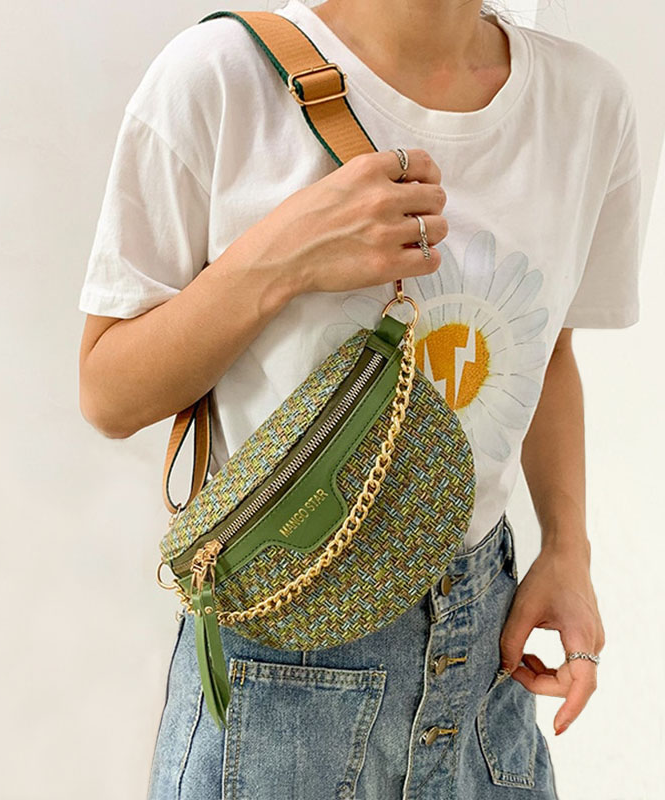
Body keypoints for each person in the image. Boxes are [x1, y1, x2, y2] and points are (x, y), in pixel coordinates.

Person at [78, 1, 640, 797]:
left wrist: (567, 550)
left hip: (488, 664)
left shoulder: (585, 104)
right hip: (285, 654)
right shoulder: (220, 78)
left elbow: (548, 356)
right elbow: (107, 391)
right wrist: (279, 260)